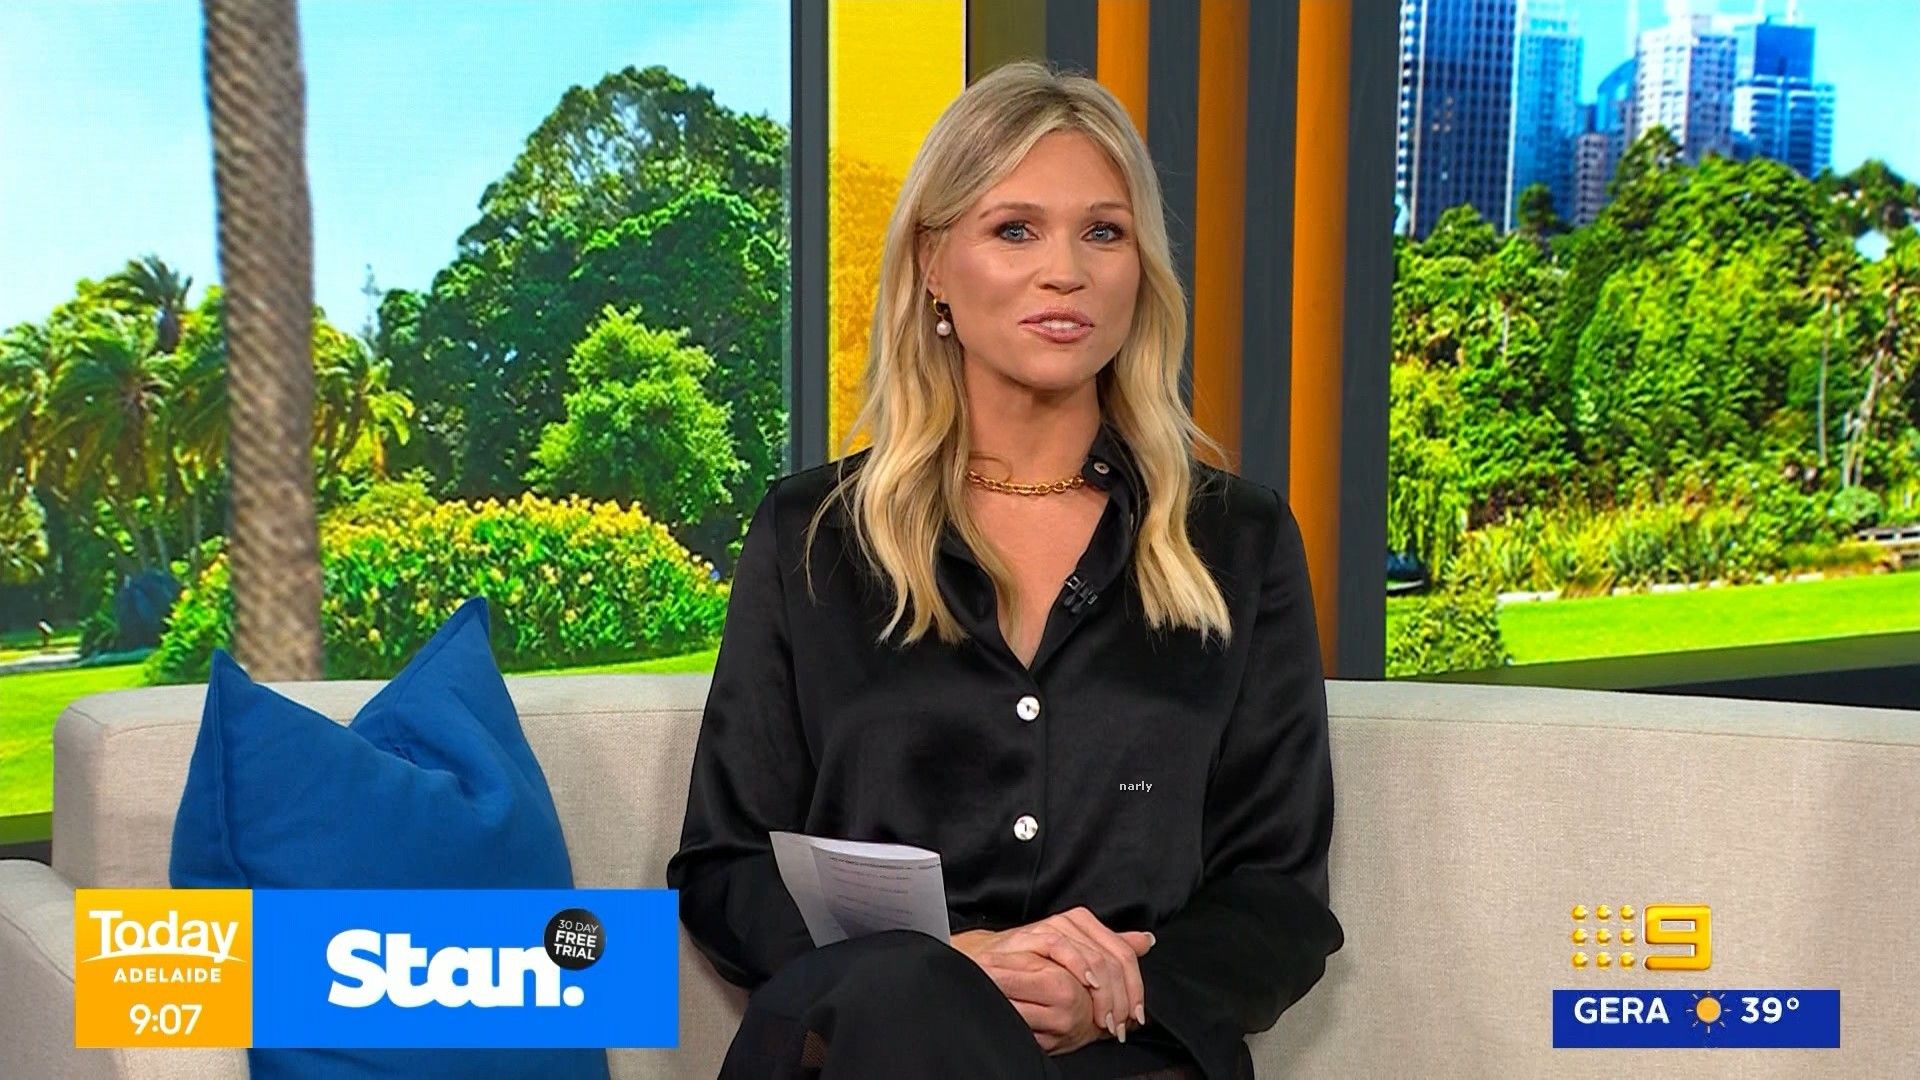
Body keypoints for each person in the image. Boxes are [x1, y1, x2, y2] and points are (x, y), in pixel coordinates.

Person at [665, 60, 1343, 1079]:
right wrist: (943, 969)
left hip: (1124, 1054)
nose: (1064, 270)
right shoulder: (812, 535)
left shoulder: (1236, 542)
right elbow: (726, 869)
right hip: (867, 1045)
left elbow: (1279, 896)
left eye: (1103, 233)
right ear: (934, 262)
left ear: (1141, 270)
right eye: (1015, 229)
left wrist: (1111, 990)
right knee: (906, 1002)